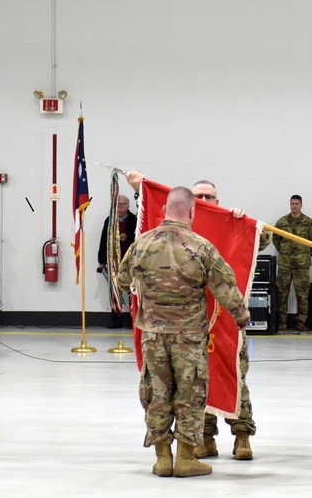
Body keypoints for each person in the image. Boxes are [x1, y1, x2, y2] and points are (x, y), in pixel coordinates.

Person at [126, 171, 266, 462]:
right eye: (198, 198)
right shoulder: (201, 247)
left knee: (162, 393)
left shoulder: (142, 244)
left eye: (209, 198)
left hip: (157, 333)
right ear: (191, 209)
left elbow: (123, 279)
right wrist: (242, 315)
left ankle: (166, 457)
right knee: (190, 394)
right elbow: (226, 286)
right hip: (190, 335)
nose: (204, 203)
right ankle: (190, 453)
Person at [272, 194, 312, 332]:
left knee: (302, 295)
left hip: (302, 265)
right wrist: (283, 251)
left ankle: (301, 322)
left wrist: (305, 255)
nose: (294, 206)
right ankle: (282, 322)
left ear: (301, 205)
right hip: (285, 265)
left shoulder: (308, 223)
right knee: (282, 294)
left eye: (296, 204)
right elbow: (276, 239)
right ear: (290, 205)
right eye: (292, 204)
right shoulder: (282, 222)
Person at [97, 194, 138, 328]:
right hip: (113, 261)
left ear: (128, 206)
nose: (120, 207)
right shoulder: (109, 220)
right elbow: (103, 240)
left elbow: (139, 239)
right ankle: (116, 320)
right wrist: (102, 260)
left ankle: (133, 320)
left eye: (123, 204)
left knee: (132, 291)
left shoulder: (135, 220)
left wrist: (128, 237)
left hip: (130, 262)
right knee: (115, 292)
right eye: (118, 204)